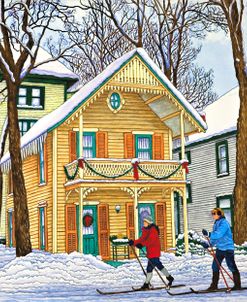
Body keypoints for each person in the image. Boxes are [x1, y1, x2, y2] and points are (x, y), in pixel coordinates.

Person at [129, 216, 174, 289]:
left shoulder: (153, 230)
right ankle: (169, 278)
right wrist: (133, 242)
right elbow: (142, 239)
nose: (143, 223)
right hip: (150, 252)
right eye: (143, 221)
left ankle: (147, 284)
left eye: (145, 222)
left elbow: (150, 240)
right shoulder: (145, 230)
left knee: (153, 267)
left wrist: (141, 245)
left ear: (149, 223)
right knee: (155, 267)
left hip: (154, 251)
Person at [201, 207, 241, 291]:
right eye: (212, 214)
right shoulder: (216, 224)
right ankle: (214, 286)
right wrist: (208, 244)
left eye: (214, 213)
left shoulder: (224, 223)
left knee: (231, 266)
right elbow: (215, 238)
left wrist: (209, 234)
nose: (213, 215)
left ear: (219, 214)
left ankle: (237, 285)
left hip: (227, 248)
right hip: (220, 249)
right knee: (215, 266)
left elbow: (219, 234)